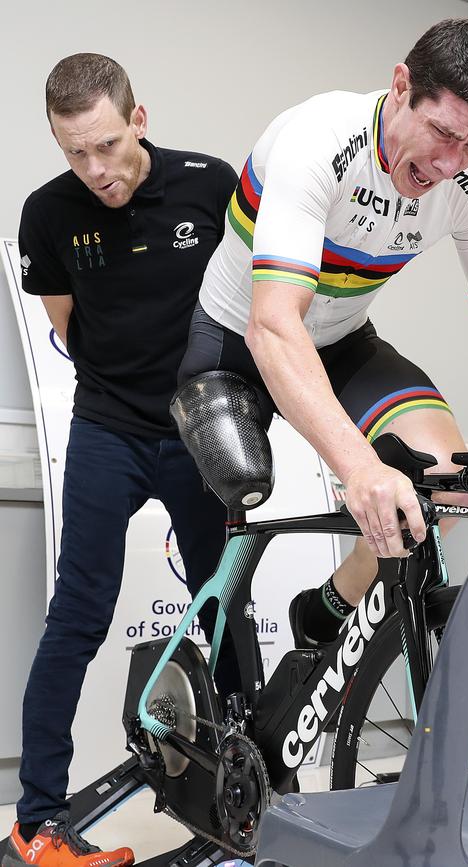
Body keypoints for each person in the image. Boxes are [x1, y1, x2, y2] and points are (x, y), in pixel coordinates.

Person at [176, 18, 468, 648]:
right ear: (401, 85)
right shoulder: (319, 139)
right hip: (234, 343)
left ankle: (326, 612)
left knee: (443, 486)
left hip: (342, 342)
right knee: (239, 490)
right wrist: (359, 467)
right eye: (442, 133)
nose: (450, 164)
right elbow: (273, 326)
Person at [3, 54, 238, 867]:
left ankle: (250, 805)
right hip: (107, 429)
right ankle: (37, 825)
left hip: (199, 431)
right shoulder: (48, 213)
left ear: (139, 118)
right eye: (75, 153)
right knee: (76, 616)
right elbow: (67, 328)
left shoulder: (210, 185)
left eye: (105, 144)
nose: (94, 170)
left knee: (224, 610)